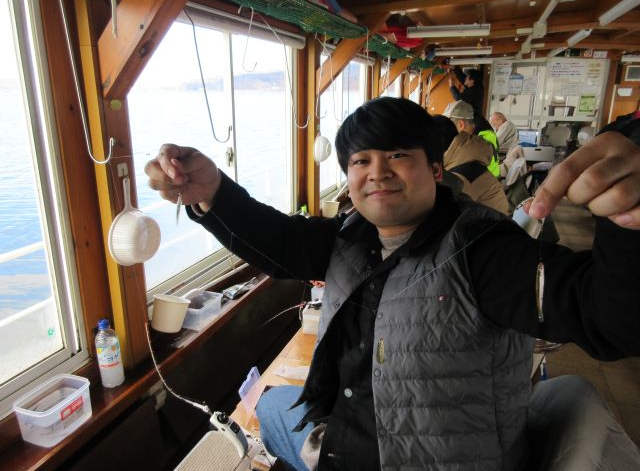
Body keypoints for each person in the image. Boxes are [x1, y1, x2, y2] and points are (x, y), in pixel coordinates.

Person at [145, 97, 640, 470]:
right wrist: (212, 193)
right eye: (360, 161)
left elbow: (608, 320)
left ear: (435, 169)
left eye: (398, 155)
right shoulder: (351, 236)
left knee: (263, 404)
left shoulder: (485, 250)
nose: (377, 172)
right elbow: (279, 241)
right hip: (344, 438)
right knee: (273, 400)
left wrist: (627, 226)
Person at [441, 103, 510, 214]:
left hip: (491, 184)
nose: (446, 131)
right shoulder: (477, 140)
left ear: (461, 125)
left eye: (448, 125)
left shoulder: (475, 148)